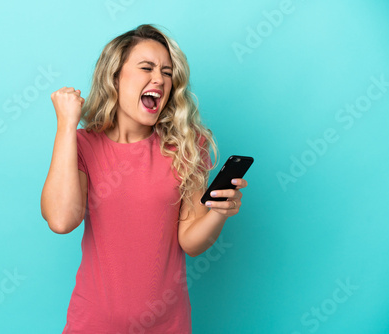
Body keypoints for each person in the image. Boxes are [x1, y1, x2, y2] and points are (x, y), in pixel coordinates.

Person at [40, 24, 249, 334]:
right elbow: (61, 219)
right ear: (115, 77)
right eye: (146, 68)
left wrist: (218, 213)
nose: (160, 80)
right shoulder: (84, 145)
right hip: (93, 324)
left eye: (167, 72)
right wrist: (66, 126)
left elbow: (190, 242)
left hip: (167, 326)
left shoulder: (187, 146)